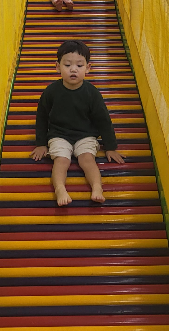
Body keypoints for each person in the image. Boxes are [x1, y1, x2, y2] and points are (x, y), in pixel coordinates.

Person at [30, 40, 125, 206]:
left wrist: (110, 147)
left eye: (79, 65)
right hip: (59, 135)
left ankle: (97, 187)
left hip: (85, 135)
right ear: (58, 67)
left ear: (88, 68)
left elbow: (103, 120)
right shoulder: (51, 92)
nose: (73, 69)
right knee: (61, 160)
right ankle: (60, 189)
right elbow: (42, 117)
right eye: (67, 65)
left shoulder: (92, 94)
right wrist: (41, 144)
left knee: (87, 159)